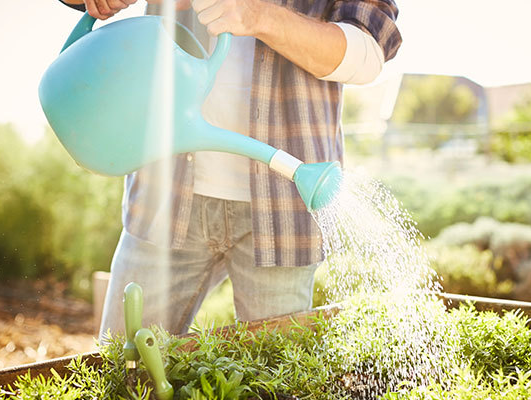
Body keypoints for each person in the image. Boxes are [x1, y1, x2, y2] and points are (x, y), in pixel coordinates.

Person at [59, 0, 402, 339]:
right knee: (125, 372)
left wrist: (259, 14)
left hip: (281, 211)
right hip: (163, 195)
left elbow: (369, 54)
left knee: (271, 385)